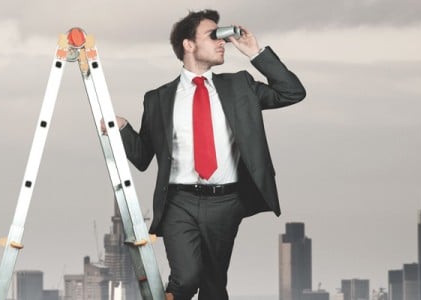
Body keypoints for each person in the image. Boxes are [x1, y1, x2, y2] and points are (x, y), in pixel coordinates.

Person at [110, 9, 305, 300]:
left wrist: (255, 52)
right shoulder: (158, 99)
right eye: (212, 36)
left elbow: (292, 92)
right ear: (188, 45)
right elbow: (142, 158)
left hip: (226, 201)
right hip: (179, 201)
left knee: (214, 287)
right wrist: (122, 129)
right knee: (185, 280)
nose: (221, 42)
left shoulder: (240, 86)